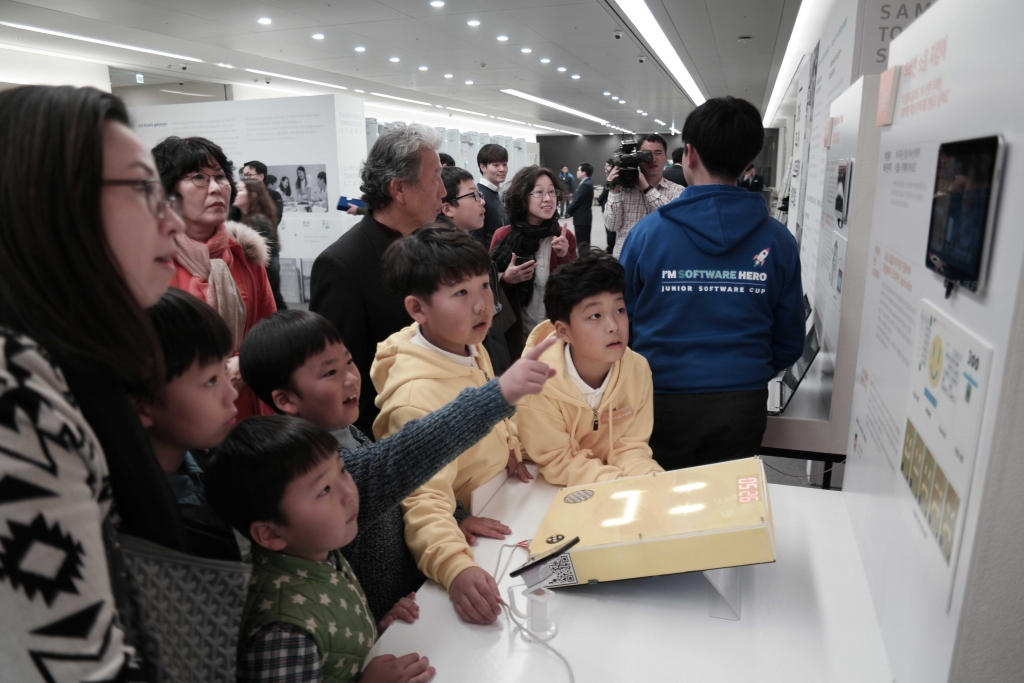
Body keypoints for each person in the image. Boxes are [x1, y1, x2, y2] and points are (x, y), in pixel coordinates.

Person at [0, 84, 187, 680]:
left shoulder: (68, 362)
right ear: (51, 200)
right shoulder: (15, 391)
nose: (172, 221)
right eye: (142, 190)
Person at [237, 309, 553, 621]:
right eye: (329, 372)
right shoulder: (315, 470)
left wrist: (455, 515)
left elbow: (396, 492)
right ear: (286, 401)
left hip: (410, 595)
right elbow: (395, 463)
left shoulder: (345, 433)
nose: (350, 378)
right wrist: (496, 396)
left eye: (348, 361)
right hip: (382, 617)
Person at [372, 227, 558, 625]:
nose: (483, 306)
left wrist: (508, 448)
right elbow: (421, 499)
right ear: (418, 310)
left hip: (500, 501)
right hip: (473, 542)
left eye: (484, 287)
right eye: (460, 294)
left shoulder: (462, 343)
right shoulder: (414, 398)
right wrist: (455, 567)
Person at [620, 96, 805, 470]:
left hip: (660, 399)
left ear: (688, 154)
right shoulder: (778, 241)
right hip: (744, 401)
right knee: (728, 511)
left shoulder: (646, 236)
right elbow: (789, 339)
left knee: (662, 508)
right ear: (748, 163)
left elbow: (621, 322)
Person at [205, 417, 435, 683]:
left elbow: (332, 642)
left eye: (341, 470)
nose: (349, 493)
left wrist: (377, 633)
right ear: (271, 534)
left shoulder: (316, 552)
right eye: (324, 489)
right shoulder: (282, 635)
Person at [310, 123, 445, 438]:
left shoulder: (435, 246)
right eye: (436, 178)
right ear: (398, 190)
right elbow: (340, 374)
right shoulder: (343, 264)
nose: (443, 191)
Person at [153, 135, 278, 419]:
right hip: (181, 412)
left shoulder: (245, 254)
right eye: (198, 177)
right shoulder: (150, 261)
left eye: (220, 177)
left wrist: (245, 364)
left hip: (247, 401)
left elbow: (268, 331)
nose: (215, 189)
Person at [517, 251, 663, 486]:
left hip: (601, 481)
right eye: (595, 315)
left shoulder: (637, 368)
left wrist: (650, 479)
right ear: (564, 331)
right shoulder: (536, 380)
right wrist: (618, 484)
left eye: (620, 310)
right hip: (538, 482)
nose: (613, 326)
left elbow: (630, 446)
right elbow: (558, 459)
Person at [134, 288, 242, 561]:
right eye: (210, 381)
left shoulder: (214, 464)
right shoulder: (141, 523)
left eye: (225, 372)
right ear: (142, 405)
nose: (232, 394)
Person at [490, 166, 577, 359]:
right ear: (523, 197)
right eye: (539, 192)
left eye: (551, 192)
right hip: (516, 331)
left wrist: (563, 257)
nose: (548, 198)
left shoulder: (564, 237)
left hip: (555, 331)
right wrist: (506, 279)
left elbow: (575, 290)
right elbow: (486, 287)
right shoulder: (504, 236)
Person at [438, 165, 512, 374]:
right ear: (448, 208)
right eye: (474, 196)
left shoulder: (466, 249)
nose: (482, 201)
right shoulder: (450, 260)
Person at [606, 133, 684, 259]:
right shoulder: (623, 190)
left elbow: (676, 221)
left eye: (658, 153)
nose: (653, 158)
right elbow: (612, 226)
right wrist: (614, 192)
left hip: (660, 261)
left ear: (665, 158)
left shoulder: (677, 191)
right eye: (646, 154)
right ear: (637, 159)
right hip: (625, 261)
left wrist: (647, 189)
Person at [235, 177, 287, 310]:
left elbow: (265, 250)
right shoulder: (249, 216)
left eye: (240, 190)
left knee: (273, 304)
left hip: (266, 268)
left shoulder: (257, 219)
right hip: (266, 267)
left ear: (252, 195)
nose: (236, 194)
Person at [475, 142, 507, 250]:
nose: (502, 169)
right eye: (496, 165)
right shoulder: (479, 195)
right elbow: (476, 237)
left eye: (504, 164)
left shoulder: (496, 193)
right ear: (483, 167)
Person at [243, 159, 284, 225]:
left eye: (248, 175)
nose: (245, 179)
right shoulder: (241, 195)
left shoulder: (274, 195)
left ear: (261, 177)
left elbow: (275, 220)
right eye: (244, 175)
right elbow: (232, 218)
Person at [565, 162, 595, 252]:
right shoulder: (587, 183)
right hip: (583, 217)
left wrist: (568, 211)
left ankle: (584, 261)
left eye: (578, 170)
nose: (576, 172)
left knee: (582, 243)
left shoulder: (585, 184)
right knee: (584, 242)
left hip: (582, 218)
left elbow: (576, 201)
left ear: (584, 173)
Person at [598, 158, 615, 253]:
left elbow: (605, 190)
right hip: (607, 204)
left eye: (607, 165)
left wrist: (599, 200)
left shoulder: (612, 176)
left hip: (609, 205)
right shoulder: (610, 175)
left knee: (610, 228)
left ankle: (610, 247)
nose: (605, 167)